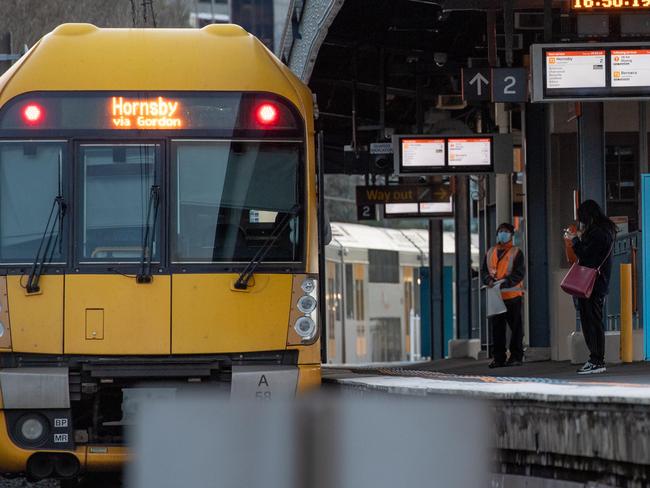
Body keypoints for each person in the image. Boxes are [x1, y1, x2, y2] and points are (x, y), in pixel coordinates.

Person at [566, 200, 617, 375]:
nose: (580, 220)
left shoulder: (597, 233)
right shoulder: (605, 231)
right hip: (597, 283)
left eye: (581, 217)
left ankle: (597, 360)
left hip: (592, 284)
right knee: (592, 320)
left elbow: (587, 257)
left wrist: (575, 241)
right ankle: (595, 359)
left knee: (592, 322)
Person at [481, 222, 526, 368]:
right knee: (497, 328)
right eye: (500, 231)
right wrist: (488, 280)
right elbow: (484, 272)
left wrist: (504, 284)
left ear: (512, 235)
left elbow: (519, 274)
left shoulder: (516, 252)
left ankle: (516, 356)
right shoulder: (490, 252)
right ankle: (498, 358)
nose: (503, 233)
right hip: (495, 295)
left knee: (516, 328)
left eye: (506, 231)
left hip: (512, 295)